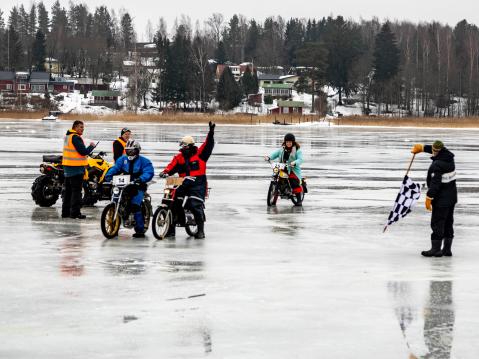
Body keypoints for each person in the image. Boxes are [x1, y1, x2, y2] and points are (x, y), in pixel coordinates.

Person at [159, 122, 215, 239]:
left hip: (198, 183)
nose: (182, 147)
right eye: (181, 145)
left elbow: (208, 145)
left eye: (184, 146)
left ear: (190, 146)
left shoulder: (200, 155)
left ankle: (200, 231)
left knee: (195, 204)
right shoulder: (178, 157)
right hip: (182, 181)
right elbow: (171, 166)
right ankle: (170, 228)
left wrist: (211, 132)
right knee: (170, 200)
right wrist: (165, 172)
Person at [411, 141, 457, 257]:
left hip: (441, 200)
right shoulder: (449, 158)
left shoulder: (437, 165)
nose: (434, 152)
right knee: (448, 222)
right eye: (433, 150)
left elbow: (435, 184)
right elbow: (436, 149)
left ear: (440, 151)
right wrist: (422, 148)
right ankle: (447, 250)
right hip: (451, 198)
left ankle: (435, 249)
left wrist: (429, 197)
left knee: (437, 223)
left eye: (436, 151)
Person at [105, 140, 154, 238]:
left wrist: (140, 179)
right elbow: (115, 168)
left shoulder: (145, 161)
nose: (130, 153)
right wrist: (108, 176)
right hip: (123, 183)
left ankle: (140, 229)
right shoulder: (122, 159)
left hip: (138, 185)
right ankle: (116, 223)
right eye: (128, 150)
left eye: (132, 151)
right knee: (115, 199)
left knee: (135, 204)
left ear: (137, 151)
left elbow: (149, 172)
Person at [62, 120, 96, 219]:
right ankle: (75, 213)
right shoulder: (75, 137)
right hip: (76, 168)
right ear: (75, 127)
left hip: (67, 167)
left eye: (83, 127)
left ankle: (66, 213)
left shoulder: (68, 136)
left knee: (68, 191)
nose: (82, 129)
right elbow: (83, 152)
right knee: (76, 192)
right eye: (80, 127)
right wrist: (91, 146)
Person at [264, 133, 304, 206]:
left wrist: (294, 163)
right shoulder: (281, 149)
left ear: (293, 142)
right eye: (287, 142)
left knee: (293, 181)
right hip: (282, 168)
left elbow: (300, 159)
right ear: (285, 142)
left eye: (290, 142)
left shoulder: (297, 150)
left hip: (293, 169)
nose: (288, 143)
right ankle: (274, 200)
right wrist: (269, 157)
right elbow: (274, 154)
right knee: (278, 180)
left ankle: (299, 200)